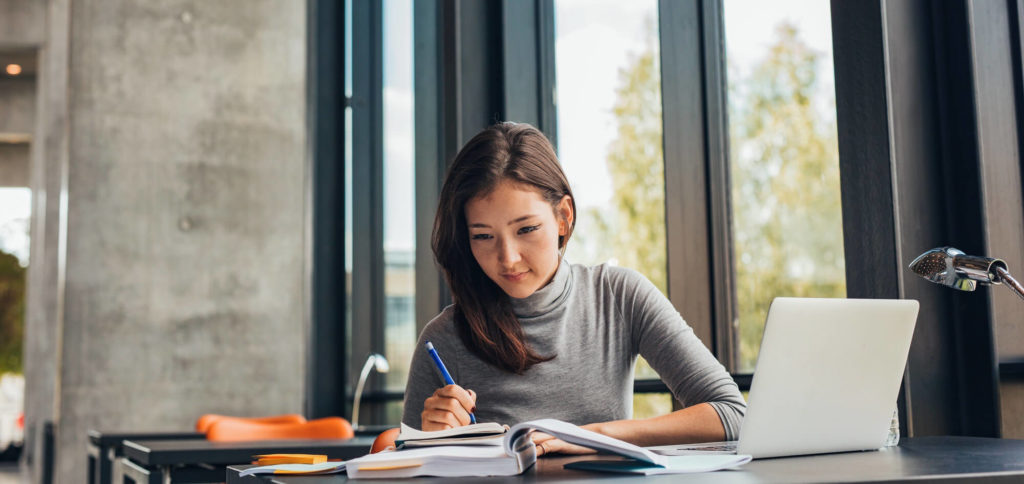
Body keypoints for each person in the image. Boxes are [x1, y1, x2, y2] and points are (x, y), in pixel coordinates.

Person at [402, 121, 745, 455]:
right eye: (483, 236)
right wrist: (431, 443)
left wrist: (593, 435)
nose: (507, 258)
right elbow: (400, 462)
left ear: (563, 216)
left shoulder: (619, 297)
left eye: (526, 230)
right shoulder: (445, 338)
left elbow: (733, 415)